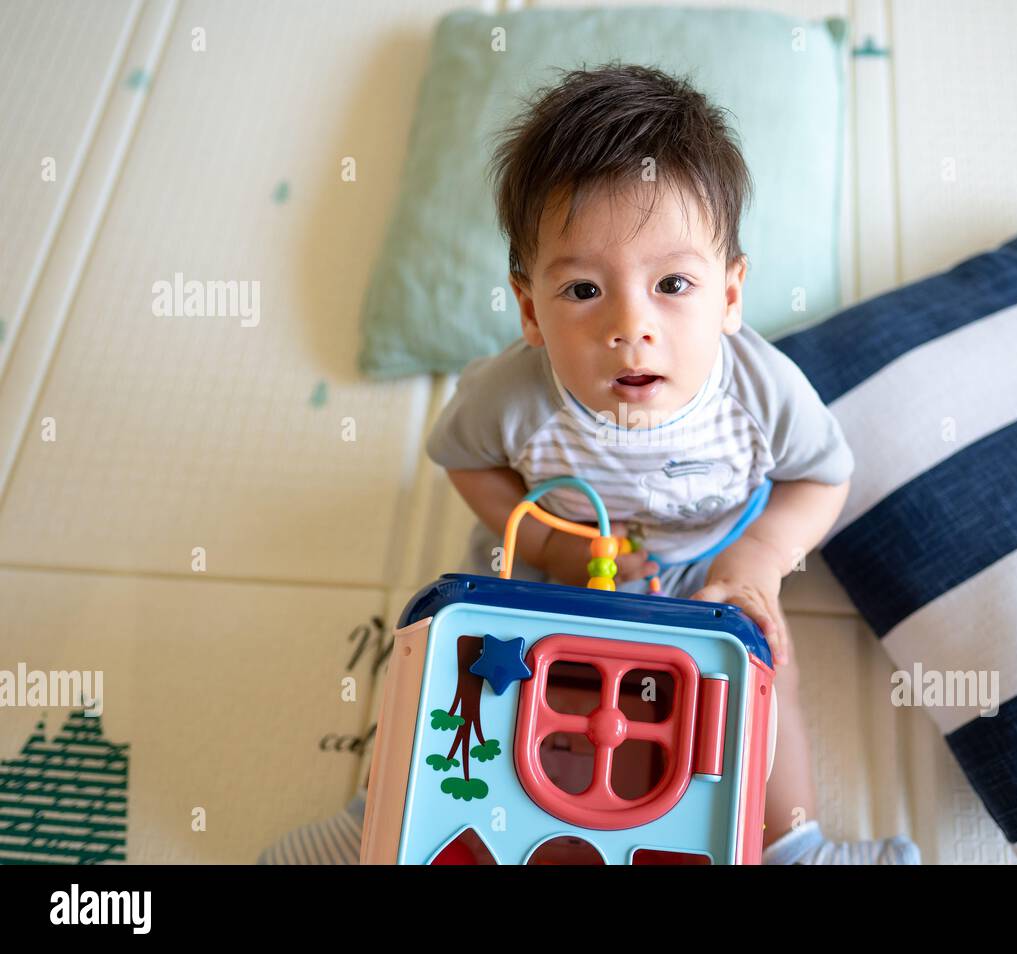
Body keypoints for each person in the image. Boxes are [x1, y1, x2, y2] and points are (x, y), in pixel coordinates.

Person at [259, 63, 919, 866]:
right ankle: (377, 818)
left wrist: (758, 559)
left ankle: (792, 844)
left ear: (730, 295)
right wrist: (548, 546)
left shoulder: (761, 395)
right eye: (581, 291)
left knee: (766, 667)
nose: (630, 326)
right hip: (549, 564)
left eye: (673, 283)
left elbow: (823, 476)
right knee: (451, 663)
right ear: (530, 310)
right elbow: (465, 462)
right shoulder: (510, 399)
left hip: (703, 570)